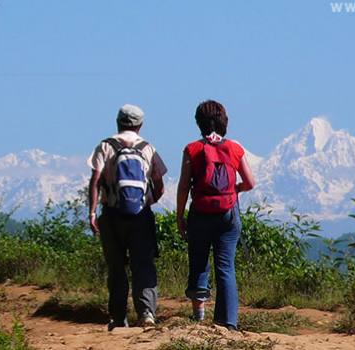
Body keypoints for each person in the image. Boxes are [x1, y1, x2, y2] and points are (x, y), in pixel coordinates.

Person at [176, 100, 255, 330]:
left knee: (199, 261)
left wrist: (180, 216)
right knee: (226, 267)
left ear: (199, 123)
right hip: (228, 214)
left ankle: (198, 316)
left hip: (200, 212)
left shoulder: (192, 149)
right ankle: (228, 323)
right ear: (224, 121)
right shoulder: (234, 148)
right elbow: (250, 183)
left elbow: (183, 186)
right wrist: (235, 189)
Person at [87, 104, 167, 331]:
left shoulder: (105, 146)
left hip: (111, 215)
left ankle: (119, 317)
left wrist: (92, 212)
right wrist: (147, 202)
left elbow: (95, 180)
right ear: (140, 125)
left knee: (117, 268)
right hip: (141, 217)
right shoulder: (148, 148)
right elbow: (160, 185)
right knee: (143, 265)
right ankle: (147, 314)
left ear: (118, 121)